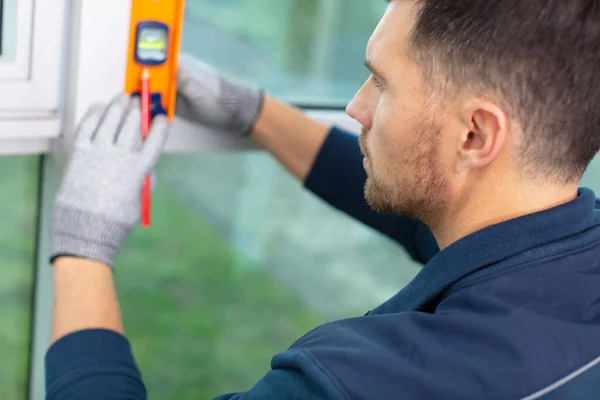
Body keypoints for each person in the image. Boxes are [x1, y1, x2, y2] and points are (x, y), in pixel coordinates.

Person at [45, 0, 600, 399]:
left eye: (382, 83)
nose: (357, 108)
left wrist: (81, 247)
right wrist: (253, 111)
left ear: (476, 136)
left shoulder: (369, 385)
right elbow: (438, 223)